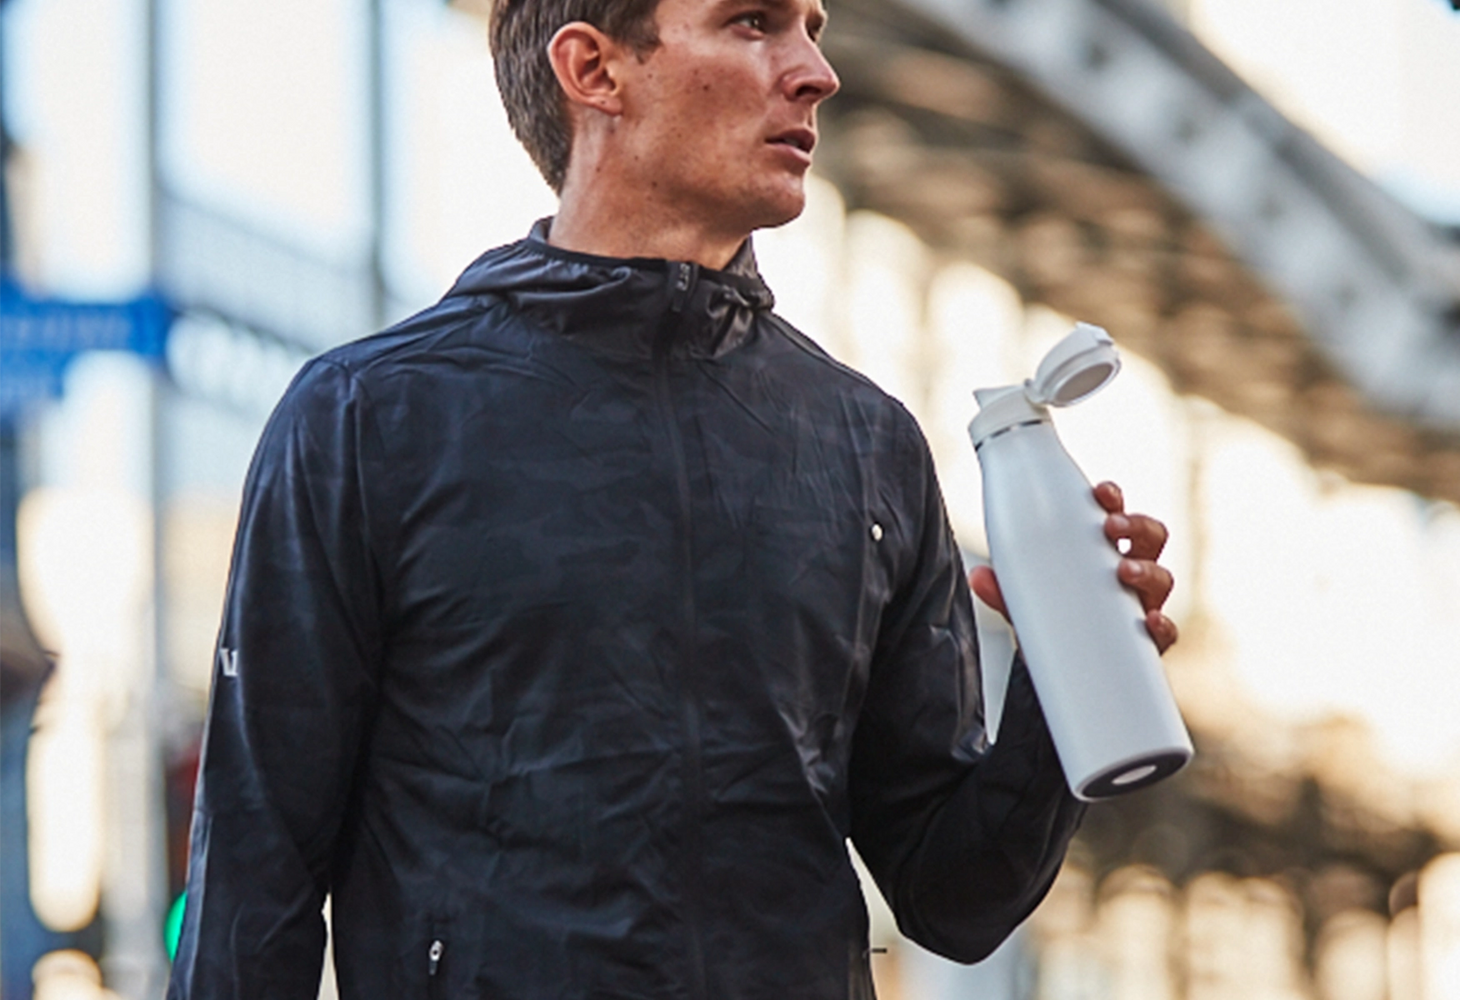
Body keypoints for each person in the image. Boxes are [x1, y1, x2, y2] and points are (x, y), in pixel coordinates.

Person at [167, 0, 1178, 996]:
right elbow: (255, 886)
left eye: (813, 32)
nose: (815, 72)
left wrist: (1068, 672)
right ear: (594, 70)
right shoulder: (367, 420)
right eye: (754, 22)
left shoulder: (867, 443)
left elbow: (956, 897)